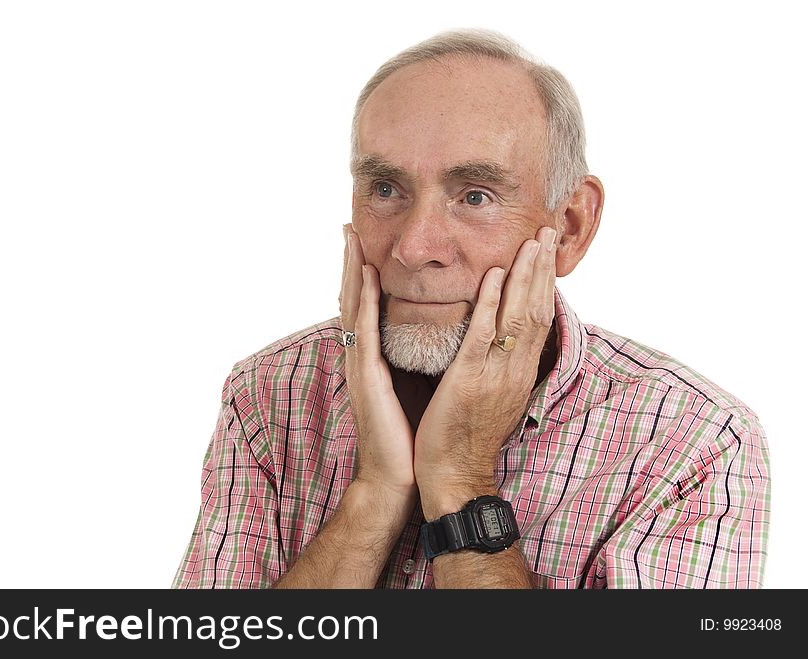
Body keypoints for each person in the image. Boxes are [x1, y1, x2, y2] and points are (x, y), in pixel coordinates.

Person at [172, 29, 770, 589]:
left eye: (475, 196)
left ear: (568, 228)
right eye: (386, 189)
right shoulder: (267, 394)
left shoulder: (695, 444)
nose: (414, 247)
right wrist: (375, 492)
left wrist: (459, 478)